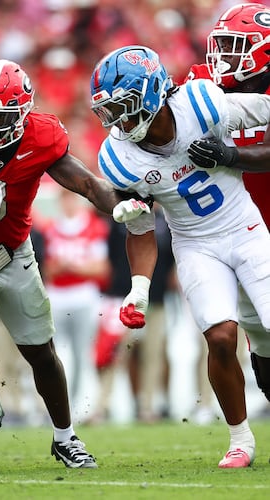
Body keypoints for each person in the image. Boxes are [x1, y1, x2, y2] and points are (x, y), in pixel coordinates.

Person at [0, 59, 149, 469]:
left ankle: (65, 437)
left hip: (15, 253)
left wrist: (120, 205)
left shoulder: (42, 138)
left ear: (22, 116)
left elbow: (87, 183)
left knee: (41, 353)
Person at [89, 44, 270, 469]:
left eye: (124, 107)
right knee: (221, 336)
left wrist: (233, 156)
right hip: (196, 245)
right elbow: (141, 229)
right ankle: (240, 440)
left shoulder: (202, 103)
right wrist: (138, 288)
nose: (117, 121)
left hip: (245, 230)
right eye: (108, 111)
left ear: (152, 93)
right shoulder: (119, 157)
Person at [185, 1, 270, 427]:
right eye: (222, 44)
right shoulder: (202, 83)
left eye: (236, 45)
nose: (223, 56)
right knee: (261, 342)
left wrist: (231, 155)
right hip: (235, 228)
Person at [42, 187, 111, 422]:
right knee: (56, 354)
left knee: (84, 354)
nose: (68, 204)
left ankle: (83, 405)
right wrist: (65, 268)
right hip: (57, 299)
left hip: (84, 297)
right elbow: (46, 271)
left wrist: (72, 267)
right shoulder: (50, 229)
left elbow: (101, 268)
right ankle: (57, 405)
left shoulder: (93, 227)